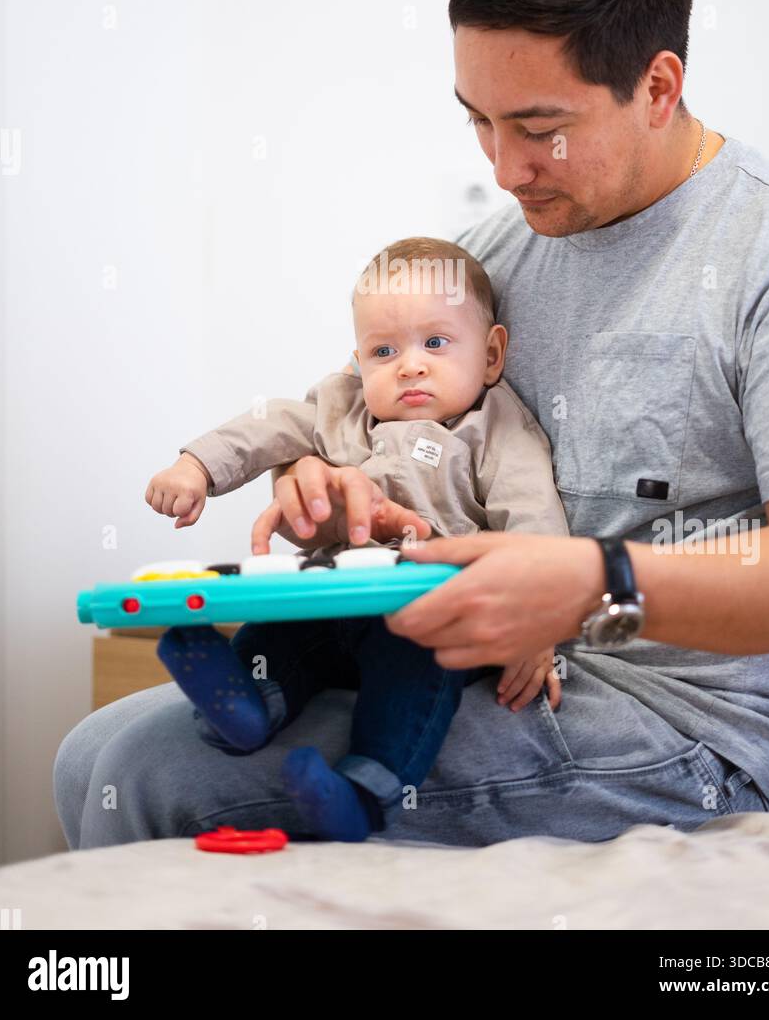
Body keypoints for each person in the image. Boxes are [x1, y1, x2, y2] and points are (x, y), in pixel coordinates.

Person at [54, 0, 769, 851]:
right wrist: (332, 482)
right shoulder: (492, 256)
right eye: (479, 122)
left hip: (676, 720)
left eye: (539, 126)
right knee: (87, 750)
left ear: (660, 85)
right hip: (464, 663)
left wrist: (595, 584)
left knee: (151, 777)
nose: (506, 169)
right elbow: (358, 418)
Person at [142, 237, 568, 841]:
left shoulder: (495, 429)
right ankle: (245, 703)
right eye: (383, 350)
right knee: (285, 619)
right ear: (358, 362)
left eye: (437, 343)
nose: (410, 365)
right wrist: (197, 468)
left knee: (417, 671)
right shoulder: (342, 408)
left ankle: (363, 792)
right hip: (337, 594)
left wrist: (539, 620)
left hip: (433, 612)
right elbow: (267, 425)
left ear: (492, 354)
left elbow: (536, 524)